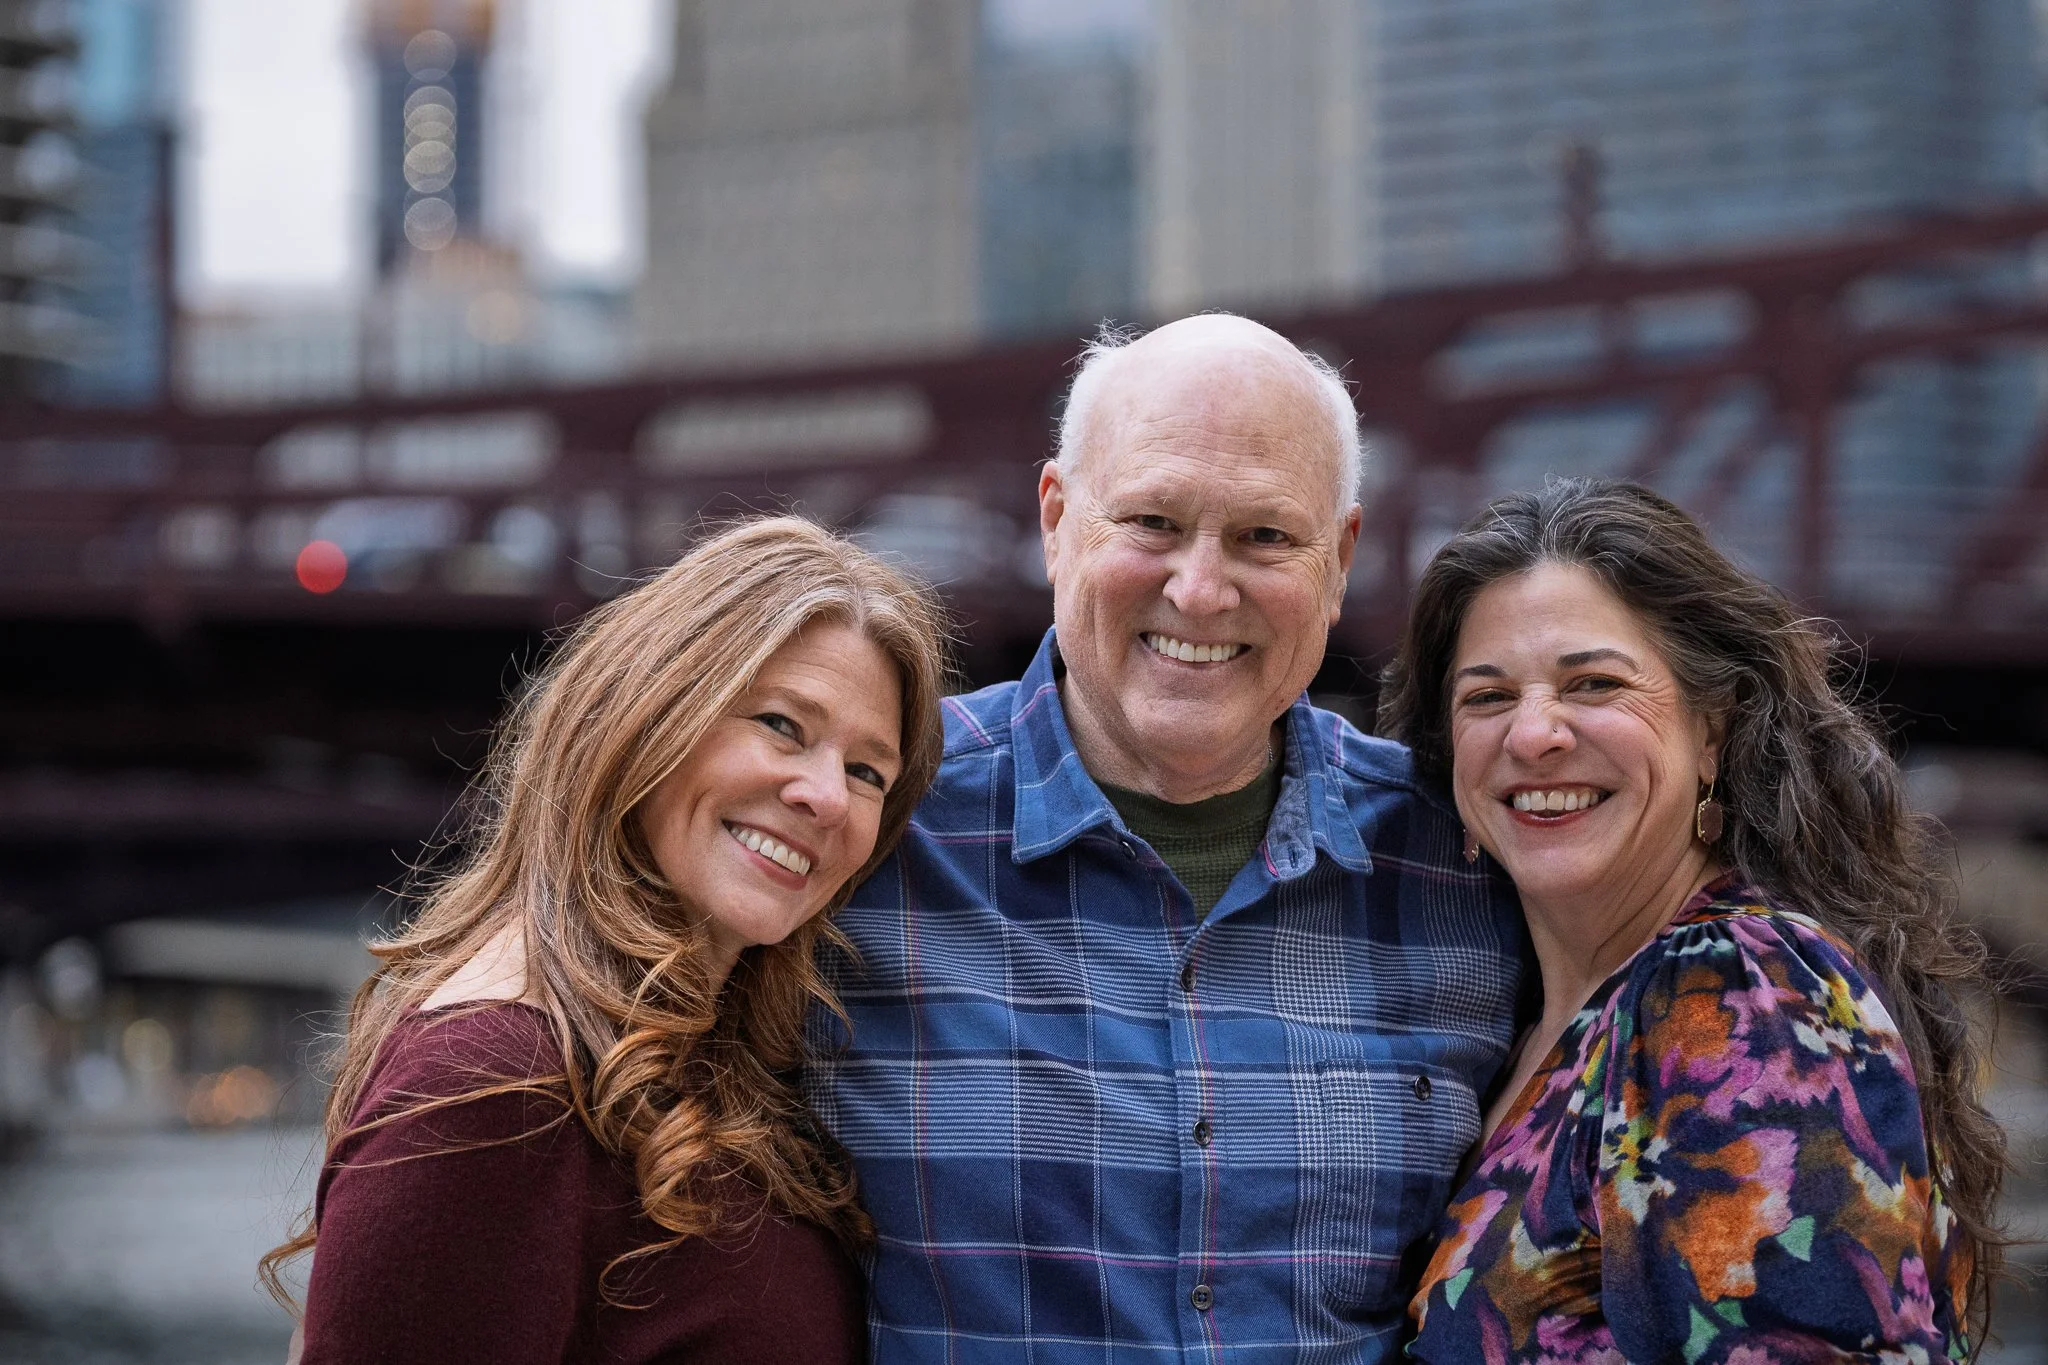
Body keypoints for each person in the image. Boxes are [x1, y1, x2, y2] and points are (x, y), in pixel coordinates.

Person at [804, 314, 1529, 1362]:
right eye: (1149, 521)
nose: (1199, 589)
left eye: (1265, 537)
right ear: (1055, 520)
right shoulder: (864, 829)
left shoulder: (1463, 860)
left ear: (1341, 559)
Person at [263, 517, 950, 1365]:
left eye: (867, 771)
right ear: (648, 713)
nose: (827, 796)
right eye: (781, 723)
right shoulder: (494, 1084)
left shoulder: (710, 1060)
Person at [1380, 478, 2004, 1361]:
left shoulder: (1736, 992)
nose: (1533, 733)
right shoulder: (1523, 1014)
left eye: (1592, 682)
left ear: (1713, 729)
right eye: (1486, 697)